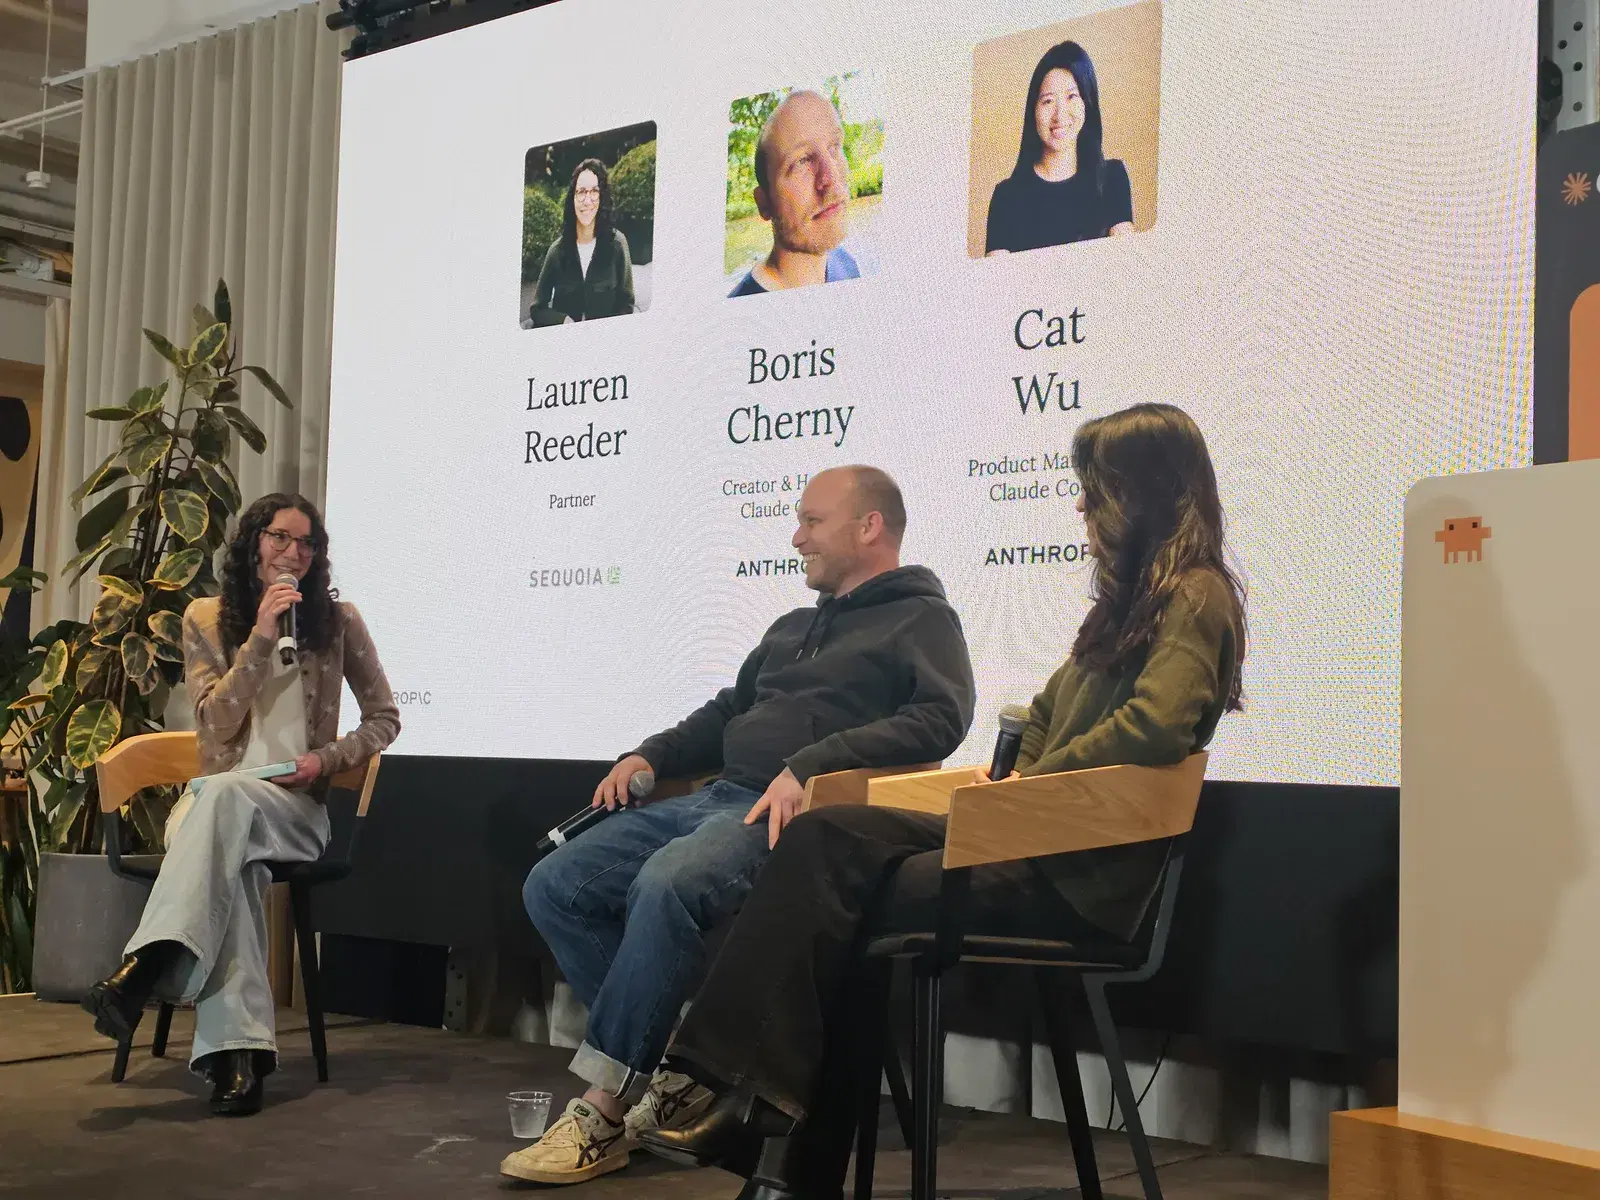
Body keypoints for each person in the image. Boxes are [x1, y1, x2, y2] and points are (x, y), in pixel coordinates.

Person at [640, 404, 1247, 1200]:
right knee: (827, 839)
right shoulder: (1118, 610)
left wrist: (1032, 787)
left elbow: (1155, 726)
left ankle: (751, 1119)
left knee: (842, 887)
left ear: (1148, 494)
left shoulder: (1195, 597)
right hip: (1030, 838)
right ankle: (762, 1133)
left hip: (1079, 878)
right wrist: (1014, 778)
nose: (1079, 509)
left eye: (1093, 492)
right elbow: (1039, 714)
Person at [499, 465, 976, 1186]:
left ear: (868, 526)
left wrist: (813, 764)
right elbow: (729, 712)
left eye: (812, 521)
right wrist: (649, 756)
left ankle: (602, 1109)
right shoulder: (790, 627)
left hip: (794, 819)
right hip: (714, 797)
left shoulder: (922, 618)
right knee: (555, 884)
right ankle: (674, 1073)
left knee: (668, 885)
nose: (796, 537)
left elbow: (941, 718)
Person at [81, 493, 400, 1117]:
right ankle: (239, 1059)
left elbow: (385, 719)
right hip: (214, 805)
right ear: (254, 542)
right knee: (237, 852)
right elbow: (213, 725)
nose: (295, 554)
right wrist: (258, 637)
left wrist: (326, 761)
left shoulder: (339, 622)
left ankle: (149, 964)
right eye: (282, 538)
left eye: (308, 544)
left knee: (227, 815)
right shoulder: (206, 617)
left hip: (293, 811)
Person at [985, 40, 1135, 256]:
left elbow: (1126, 266)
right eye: (1047, 101)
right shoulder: (1006, 197)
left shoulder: (1112, 178)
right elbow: (995, 284)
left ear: (1087, 102)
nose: (1060, 115)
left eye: (1071, 97)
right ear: (1033, 110)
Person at [729, 90, 863, 297]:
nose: (831, 178)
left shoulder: (847, 263)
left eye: (834, 147)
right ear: (764, 203)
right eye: (801, 161)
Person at [529, 157, 636, 326]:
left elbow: (627, 304)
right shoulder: (557, 251)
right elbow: (537, 309)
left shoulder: (617, 244)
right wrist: (563, 321)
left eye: (594, 191)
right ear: (572, 198)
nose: (587, 201)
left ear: (602, 198)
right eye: (581, 192)